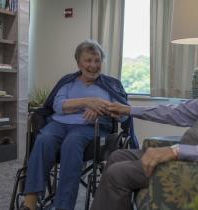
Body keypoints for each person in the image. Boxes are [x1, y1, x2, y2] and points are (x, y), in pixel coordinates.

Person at [90, 32, 198, 210]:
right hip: (187, 158)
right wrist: (129, 110)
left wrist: (176, 151)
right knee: (118, 155)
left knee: (117, 174)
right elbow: (177, 112)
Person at [20, 39, 136, 210]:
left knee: (72, 142)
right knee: (44, 138)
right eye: (88, 60)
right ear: (79, 63)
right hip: (59, 123)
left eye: (97, 60)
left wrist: (101, 108)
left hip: (90, 127)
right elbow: (58, 105)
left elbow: (123, 115)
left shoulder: (110, 85)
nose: (93, 65)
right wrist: (87, 102)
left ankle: (63, 206)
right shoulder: (68, 82)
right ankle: (30, 201)